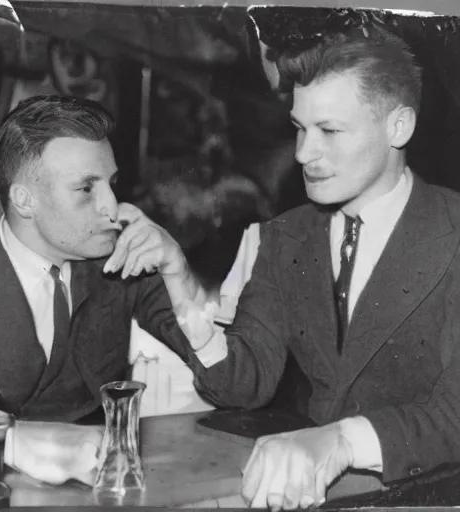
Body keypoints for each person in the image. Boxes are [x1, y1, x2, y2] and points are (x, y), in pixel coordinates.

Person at [107, 24, 460, 509]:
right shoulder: (285, 237)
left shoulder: (453, 234)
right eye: (299, 128)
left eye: (329, 131)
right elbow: (243, 383)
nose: (303, 154)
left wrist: (339, 440)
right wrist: (180, 280)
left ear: (398, 126)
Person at [0, 94, 204, 485]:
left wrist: (179, 272)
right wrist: (9, 441)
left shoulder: (124, 262)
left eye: (111, 184)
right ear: (24, 200)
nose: (113, 207)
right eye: (86, 188)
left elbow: (239, 384)